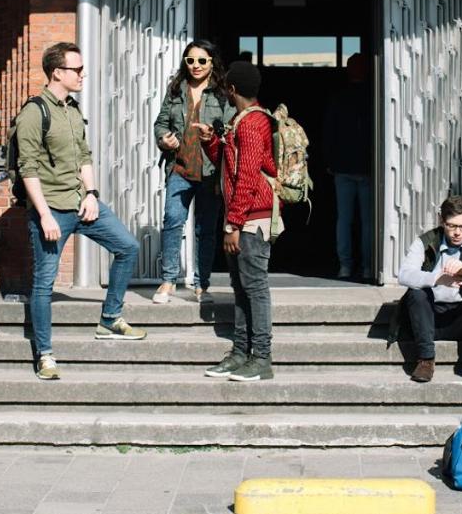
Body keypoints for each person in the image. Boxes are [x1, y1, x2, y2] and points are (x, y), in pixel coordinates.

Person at [18, 41, 146, 382]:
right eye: (76, 69)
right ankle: (45, 355)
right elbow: (28, 167)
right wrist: (44, 214)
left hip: (81, 203)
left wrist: (91, 194)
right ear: (56, 72)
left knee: (128, 247)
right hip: (51, 209)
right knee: (44, 284)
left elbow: (84, 156)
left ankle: (110, 318)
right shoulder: (34, 112)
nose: (82, 75)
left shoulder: (72, 109)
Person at [198, 60, 280, 382]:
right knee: (241, 287)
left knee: (254, 288)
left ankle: (261, 358)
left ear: (232, 90)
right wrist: (210, 141)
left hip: (251, 219)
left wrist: (233, 224)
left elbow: (246, 177)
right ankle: (241, 353)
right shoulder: (240, 121)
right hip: (242, 215)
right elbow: (227, 165)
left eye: (226, 89)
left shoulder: (251, 124)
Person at [153, 39, 232, 304]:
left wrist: (216, 135)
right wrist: (164, 139)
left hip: (210, 171)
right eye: (190, 60)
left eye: (201, 60)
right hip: (180, 167)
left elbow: (232, 129)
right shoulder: (176, 89)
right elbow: (161, 123)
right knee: (172, 221)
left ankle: (202, 285)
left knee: (205, 229)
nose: (195, 65)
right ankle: (168, 281)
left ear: (212, 62)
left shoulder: (222, 92)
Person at [397, 195, 462, 385]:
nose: (457, 233)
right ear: (442, 221)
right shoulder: (424, 242)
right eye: (452, 226)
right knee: (416, 292)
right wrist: (437, 279)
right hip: (430, 318)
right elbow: (404, 275)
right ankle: (426, 359)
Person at [322, 52, 372, 281]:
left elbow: (329, 132)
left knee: (344, 219)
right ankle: (368, 266)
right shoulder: (373, 96)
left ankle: (345, 266)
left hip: (342, 166)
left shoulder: (339, 98)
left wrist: (330, 161)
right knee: (368, 222)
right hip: (367, 168)